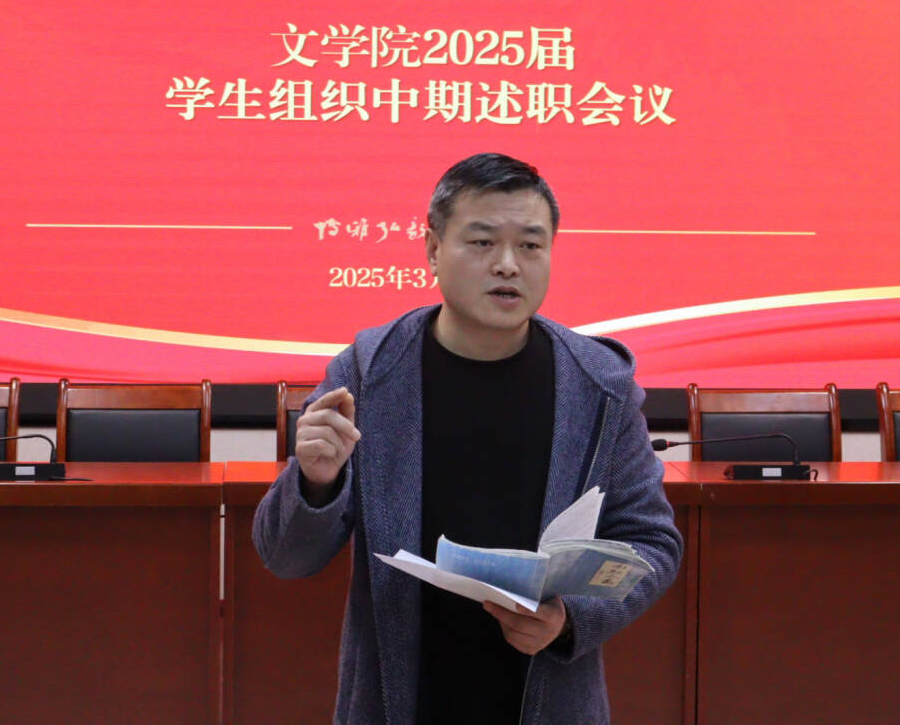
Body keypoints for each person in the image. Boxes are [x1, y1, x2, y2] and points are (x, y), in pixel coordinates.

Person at [254, 152, 682, 725]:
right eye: (482, 243)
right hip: (400, 699)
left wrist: (570, 618)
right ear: (433, 249)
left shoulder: (599, 385)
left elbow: (652, 543)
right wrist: (315, 483)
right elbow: (286, 558)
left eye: (530, 245)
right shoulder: (367, 373)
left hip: (547, 696)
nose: (508, 265)